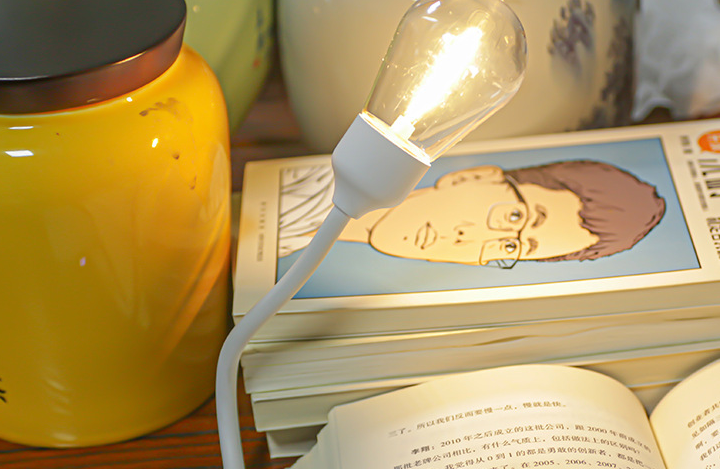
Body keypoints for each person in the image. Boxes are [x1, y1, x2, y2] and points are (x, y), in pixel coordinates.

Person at [278, 159, 666, 267]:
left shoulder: (292, 242)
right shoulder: (288, 196)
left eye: (511, 248)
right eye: (514, 218)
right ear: (474, 176)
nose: (469, 238)